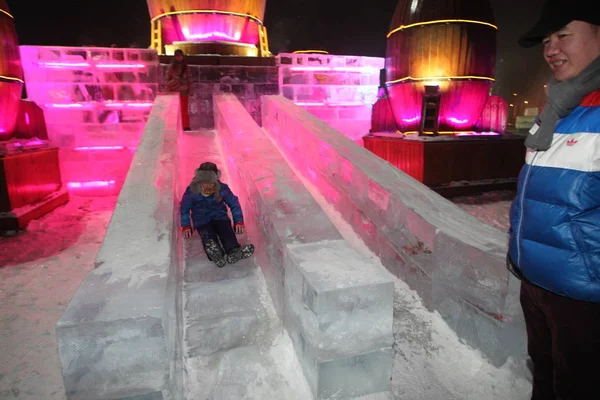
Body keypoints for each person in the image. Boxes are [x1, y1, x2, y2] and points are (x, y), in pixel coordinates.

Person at [507, 1, 600, 399]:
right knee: (545, 381)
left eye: (563, 35)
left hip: (583, 296)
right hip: (537, 281)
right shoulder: (559, 108)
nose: (551, 49)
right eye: (546, 40)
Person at [180, 162, 254, 267]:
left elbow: (234, 203)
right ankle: (215, 252)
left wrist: (238, 221)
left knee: (226, 231)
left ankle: (233, 250)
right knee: (207, 235)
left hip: (220, 217)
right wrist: (186, 225)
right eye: (204, 182)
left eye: (210, 183)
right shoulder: (192, 191)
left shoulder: (222, 189)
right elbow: (184, 208)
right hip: (201, 219)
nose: (207, 186)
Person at [166, 49, 193, 131]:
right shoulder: (171, 67)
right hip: (174, 91)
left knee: (184, 110)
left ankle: (186, 126)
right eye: (177, 56)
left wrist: (191, 90)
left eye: (180, 55)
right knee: (174, 110)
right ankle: (175, 126)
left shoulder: (186, 67)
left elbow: (190, 79)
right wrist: (175, 81)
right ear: (175, 57)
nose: (179, 57)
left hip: (184, 92)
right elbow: (167, 81)